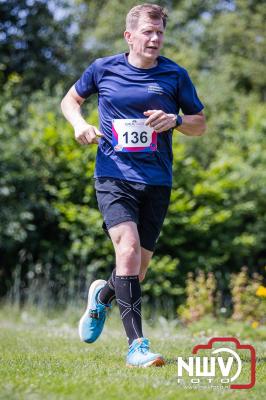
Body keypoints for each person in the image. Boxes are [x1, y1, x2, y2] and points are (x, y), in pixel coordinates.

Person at [61, 3, 206, 368]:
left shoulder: (175, 75)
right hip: (113, 174)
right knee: (126, 250)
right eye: (147, 32)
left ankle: (102, 295)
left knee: (137, 270)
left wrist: (174, 120)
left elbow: (199, 123)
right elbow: (70, 100)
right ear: (130, 36)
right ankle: (136, 346)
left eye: (159, 32)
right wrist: (79, 124)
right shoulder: (103, 68)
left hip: (157, 180)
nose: (155, 38)